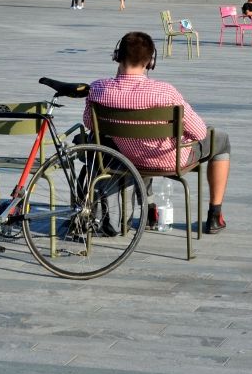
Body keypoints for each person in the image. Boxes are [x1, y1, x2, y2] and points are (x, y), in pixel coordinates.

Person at [84, 31, 232, 235]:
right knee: (221, 140)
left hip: (128, 157)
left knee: (136, 142)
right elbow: (198, 132)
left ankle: (150, 208)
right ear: (150, 62)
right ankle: (215, 215)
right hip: (172, 160)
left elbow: (89, 123)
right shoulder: (165, 92)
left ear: (117, 56)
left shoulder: (98, 89)